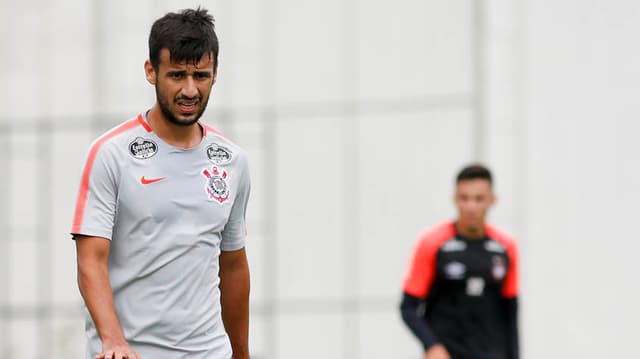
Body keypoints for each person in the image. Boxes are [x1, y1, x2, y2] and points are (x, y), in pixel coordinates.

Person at [71, 8, 251, 359]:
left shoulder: (232, 161)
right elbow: (90, 261)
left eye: (200, 75)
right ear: (151, 72)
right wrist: (113, 340)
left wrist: (241, 354)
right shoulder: (111, 154)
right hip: (130, 354)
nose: (189, 89)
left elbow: (233, 266)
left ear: (215, 75)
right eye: (176, 75)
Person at [400, 164, 519, 359]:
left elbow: (510, 313)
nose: (471, 206)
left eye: (479, 199)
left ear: (492, 200)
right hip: (449, 352)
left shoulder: (506, 247)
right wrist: (432, 345)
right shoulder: (433, 242)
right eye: (464, 198)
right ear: (455, 199)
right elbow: (408, 307)